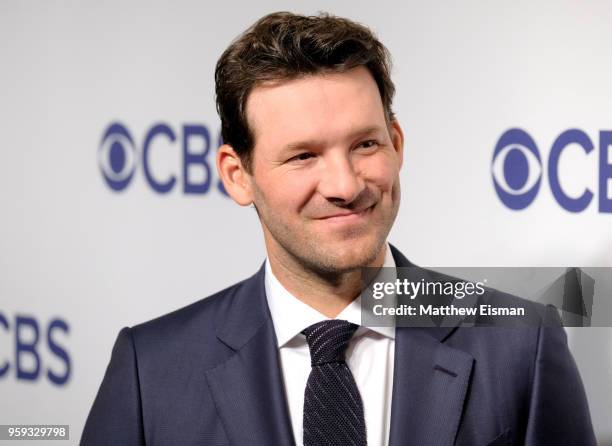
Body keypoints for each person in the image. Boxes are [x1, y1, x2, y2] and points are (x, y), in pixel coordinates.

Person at [81, 11, 596, 446]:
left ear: (396, 143)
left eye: (365, 145)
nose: (345, 185)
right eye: (304, 156)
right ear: (238, 176)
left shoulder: (519, 345)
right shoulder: (150, 371)